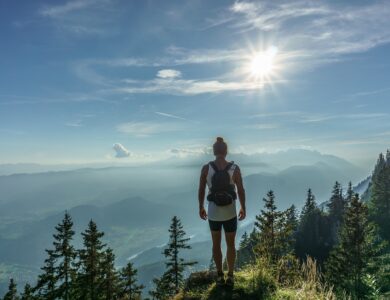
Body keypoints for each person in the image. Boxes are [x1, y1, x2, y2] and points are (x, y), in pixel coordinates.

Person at [198, 137, 246, 286]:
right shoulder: (235, 168)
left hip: (213, 212)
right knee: (231, 244)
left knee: (216, 244)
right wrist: (243, 207)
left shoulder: (206, 168)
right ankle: (230, 276)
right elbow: (241, 190)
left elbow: (201, 189)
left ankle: (219, 277)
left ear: (214, 151)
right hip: (230, 212)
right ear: (226, 151)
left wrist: (201, 206)